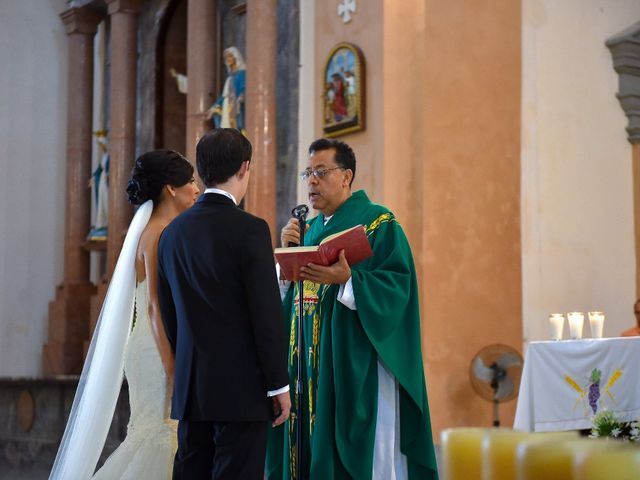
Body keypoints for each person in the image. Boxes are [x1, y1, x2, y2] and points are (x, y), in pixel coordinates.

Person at [266, 138, 439, 479]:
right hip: (309, 362)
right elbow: (295, 298)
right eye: (308, 173)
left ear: (346, 177)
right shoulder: (309, 231)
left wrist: (348, 280)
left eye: (321, 172)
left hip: (356, 360)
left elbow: (397, 288)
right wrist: (287, 260)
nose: (311, 181)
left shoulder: (379, 222)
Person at [50, 150, 200, 480]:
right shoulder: (161, 233)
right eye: (190, 181)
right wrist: (172, 367)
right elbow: (155, 306)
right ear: (171, 189)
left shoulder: (154, 230)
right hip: (157, 352)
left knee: (151, 438)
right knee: (161, 440)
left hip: (147, 346)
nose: (196, 189)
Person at [157, 128, 291, 479]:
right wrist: (278, 384)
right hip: (242, 392)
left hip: (192, 390)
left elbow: (170, 316)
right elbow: (265, 315)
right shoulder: (250, 230)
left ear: (201, 170)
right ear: (245, 167)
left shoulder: (172, 233)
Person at [205, 46, 246, 133]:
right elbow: (223, 96)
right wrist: (213, 108)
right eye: (226, 57)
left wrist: (240, 99)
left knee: (236, 128)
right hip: (227, 105)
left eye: (230, 56)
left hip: (235, 105)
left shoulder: (242, 73)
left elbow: (243, 89)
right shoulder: (229, 77)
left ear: (235, 57)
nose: (228, 59)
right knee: (226, 129)